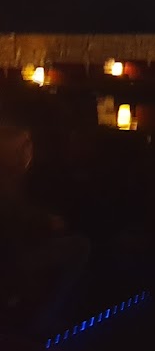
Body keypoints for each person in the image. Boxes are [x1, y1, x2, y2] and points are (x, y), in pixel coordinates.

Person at [0, 113, 89, 337]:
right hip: (12, 258)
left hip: (17, 248)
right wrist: (46, 223)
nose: (29, 151)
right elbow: (13, 221)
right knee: (79, 247)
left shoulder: (16, 179)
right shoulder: (7, 181)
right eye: (24, 147)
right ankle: (43, 317)